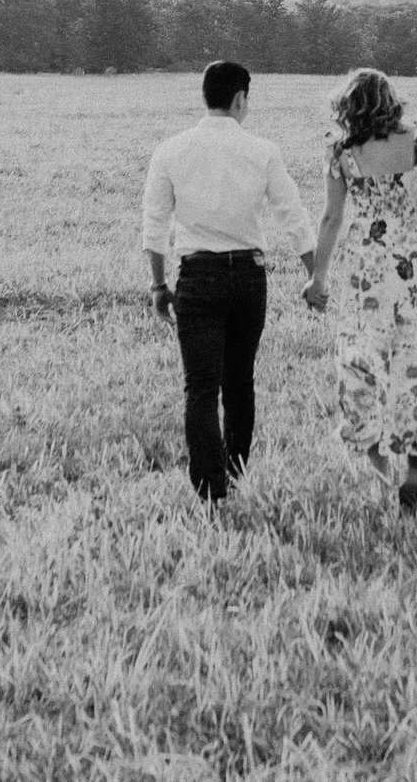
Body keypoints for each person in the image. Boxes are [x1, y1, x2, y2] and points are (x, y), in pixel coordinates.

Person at [141, 60, 315, 506]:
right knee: (240, 383)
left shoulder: (171, 149)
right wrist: (315, 273)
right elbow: (292, 215)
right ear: (240, 98)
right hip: (249, 277)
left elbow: (155, 224)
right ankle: (235, 474)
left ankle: (210, 490)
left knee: (200, 387)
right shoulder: (262, 150)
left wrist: (159, 286)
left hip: (196, 276)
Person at [303, 67, 417, 512]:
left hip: (364, 275)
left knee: (358, 364)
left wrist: (318, 277)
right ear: (391, 99)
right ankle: (415, 469)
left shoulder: (340, 150)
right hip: (413, 274)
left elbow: (331, 218)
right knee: (415, 366)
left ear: (348, 105)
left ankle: (378, 462)